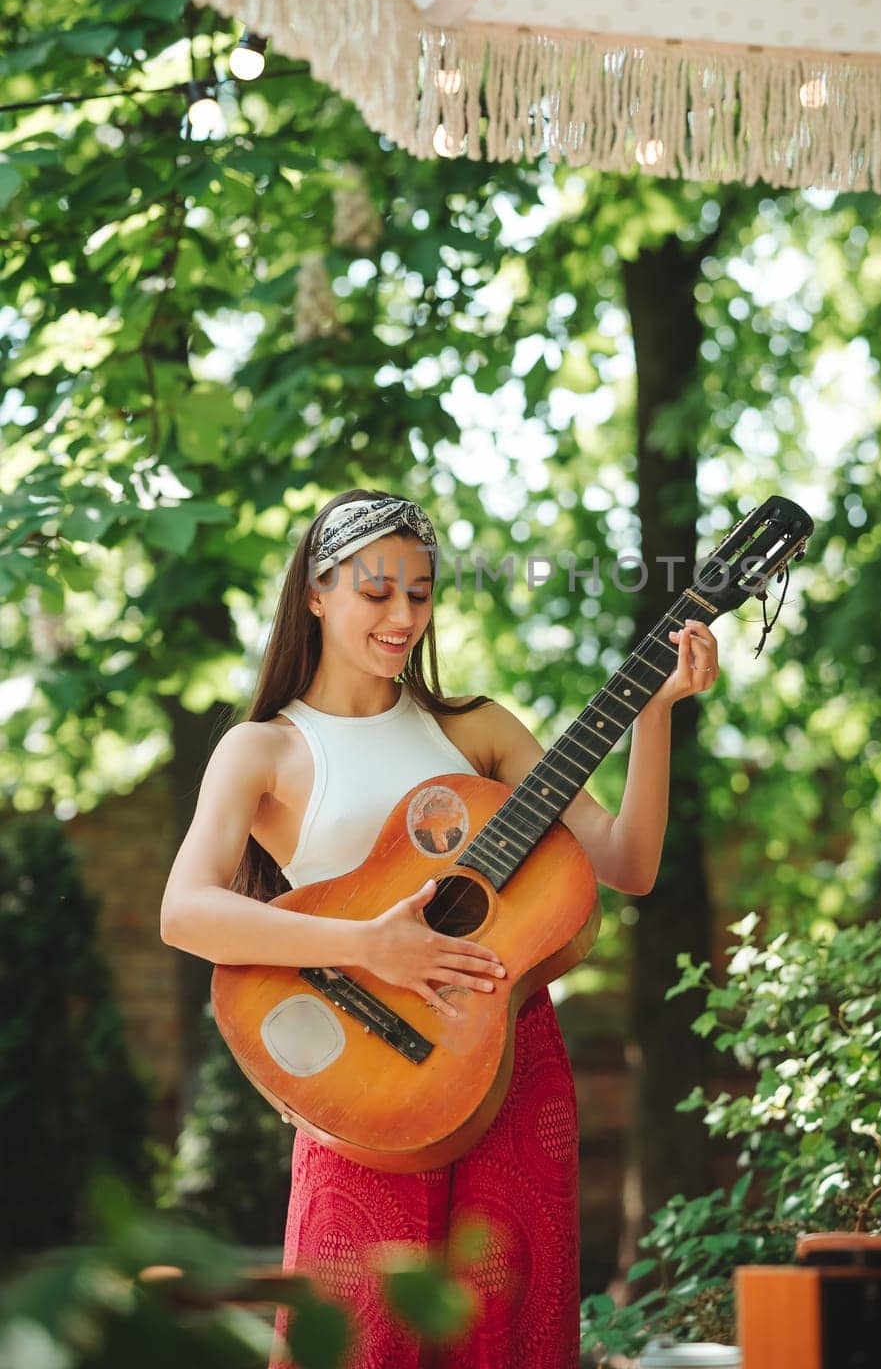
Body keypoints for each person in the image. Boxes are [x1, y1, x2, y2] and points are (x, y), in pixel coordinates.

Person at [160, 487, 719, 1369]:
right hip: (366, 1073)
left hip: (512, 1055)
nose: (402, 616)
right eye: (376, 592)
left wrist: (655, 711)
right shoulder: (262, 750)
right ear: (316, 590)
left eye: (419, 595)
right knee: (358, 1332)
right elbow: (186, 911)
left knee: (510, 1326)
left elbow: (626, 864)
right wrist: (366, 944)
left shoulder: (477, 729)